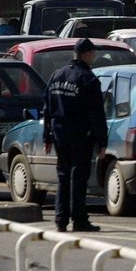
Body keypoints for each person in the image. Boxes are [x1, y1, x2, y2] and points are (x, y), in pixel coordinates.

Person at [43, 38, 106, 233]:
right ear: (87, 54)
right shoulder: (88, 79)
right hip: (80, 134)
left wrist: (47, 136)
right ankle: (79, 219)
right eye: (93, 53)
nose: (94, 56)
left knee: (63, 176)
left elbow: (47, 107)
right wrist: (102, 141)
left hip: (59, 133)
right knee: (78, 177)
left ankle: (60, 219)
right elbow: (96, 113)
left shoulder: (57, 75)